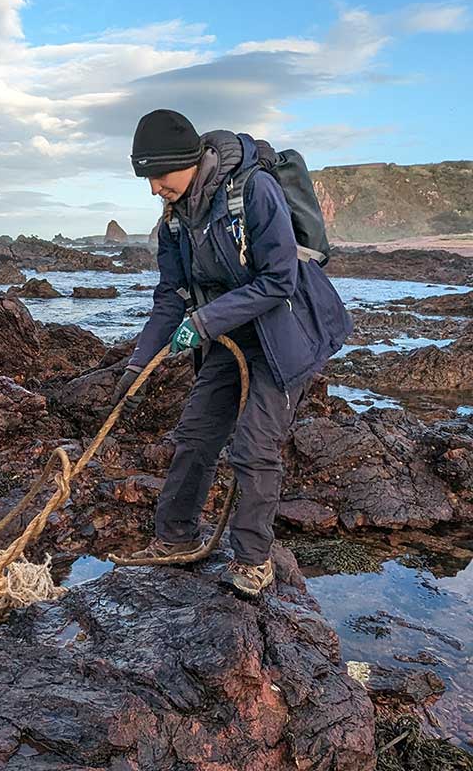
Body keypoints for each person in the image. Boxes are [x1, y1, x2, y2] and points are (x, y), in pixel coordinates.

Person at [113, 110, 352, 596]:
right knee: (195, 434)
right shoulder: (176, 219)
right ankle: (173, 538)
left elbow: (278, 281)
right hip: (230, 332)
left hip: (286, 330)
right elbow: (170, 296)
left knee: (255, 445)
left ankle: (251, 561)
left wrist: (202, 323)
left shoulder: (253, 191)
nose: (154, 188)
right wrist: (138, 365)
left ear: (185, 161)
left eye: (158, 176)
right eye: (147, 179)